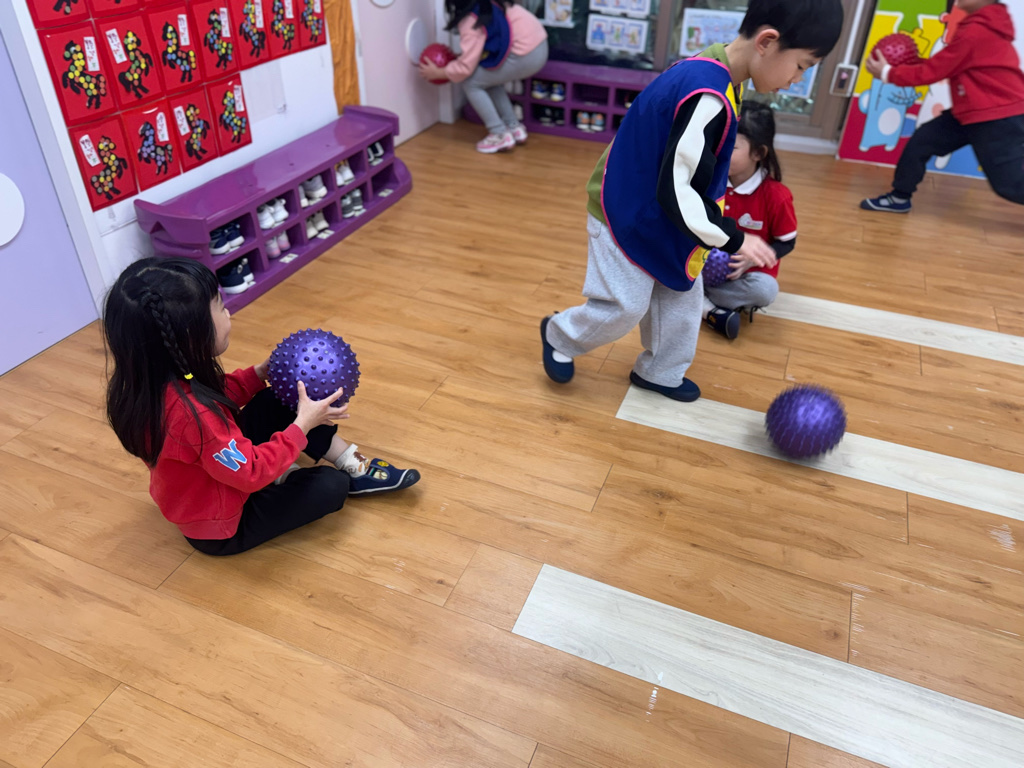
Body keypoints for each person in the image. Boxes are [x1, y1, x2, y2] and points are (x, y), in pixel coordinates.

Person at [540, 0, 842, 401]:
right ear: (767, 42)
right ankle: (559, 335)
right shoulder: (708, 94)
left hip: (667, 215)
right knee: (624, 305)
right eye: (801, 66)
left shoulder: (722, 74)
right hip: (626, 211)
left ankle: (660, 372)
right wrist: (734, 238)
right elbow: (676, 189)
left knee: (681, 296)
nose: (796, 80)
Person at [103, 258, 420, 556]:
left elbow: (217, 394)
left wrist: (258, 374)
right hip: (221, 525)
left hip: (220, 469)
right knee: (330, 486)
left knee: (276, 399)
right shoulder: (194, 417)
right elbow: (250, 473)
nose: (228, 313)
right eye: (220, 307)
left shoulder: (155, 380)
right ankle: (291, 474)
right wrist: (302, 427)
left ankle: (350, 462)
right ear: (191, 336)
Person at [861, 0, 1024, 213]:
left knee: (1009, 186)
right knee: (922, 142)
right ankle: (899, 198)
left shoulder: (977, 31)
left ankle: (899, 197)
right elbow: (946, 64)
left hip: (996, 117)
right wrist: (906, 65)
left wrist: (887, 73)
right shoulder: (980, 25)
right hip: (971, 112)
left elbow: (935, 71)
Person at [704, 101, 797, 340]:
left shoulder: (777, 196)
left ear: (758, 153)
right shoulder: (708, 181)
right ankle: (707, 308)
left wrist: (750, 260)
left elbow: (786, 242)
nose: (720, 150)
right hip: (700, 262)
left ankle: (698, 302)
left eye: (732, 146)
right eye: (718, 141)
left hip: (745, 274)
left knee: (765, 290)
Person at [420, 0, 548, 153]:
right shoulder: (490, 3)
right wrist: (462, 58)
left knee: (471, 83)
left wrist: (440, 73)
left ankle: (499, 133)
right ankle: (514, 127)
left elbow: (465, 68)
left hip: (524, 55)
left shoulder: (471, 19)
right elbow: (481, 49)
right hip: (539, 46)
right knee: (489, 80)